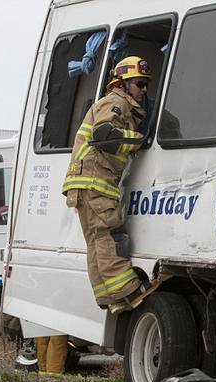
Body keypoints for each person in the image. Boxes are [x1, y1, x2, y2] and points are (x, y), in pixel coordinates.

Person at [62, 56, 158, 312]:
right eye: (140, 84)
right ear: (123, 83)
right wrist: (139, 138)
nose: (144, 90)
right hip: (96, 182)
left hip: (85, 184)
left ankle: (110, 297)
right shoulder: (116, 102)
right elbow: (104, 135)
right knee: (108, 235)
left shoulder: (118, 104)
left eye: (146, 84)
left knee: (96, 241)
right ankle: (128, 291)